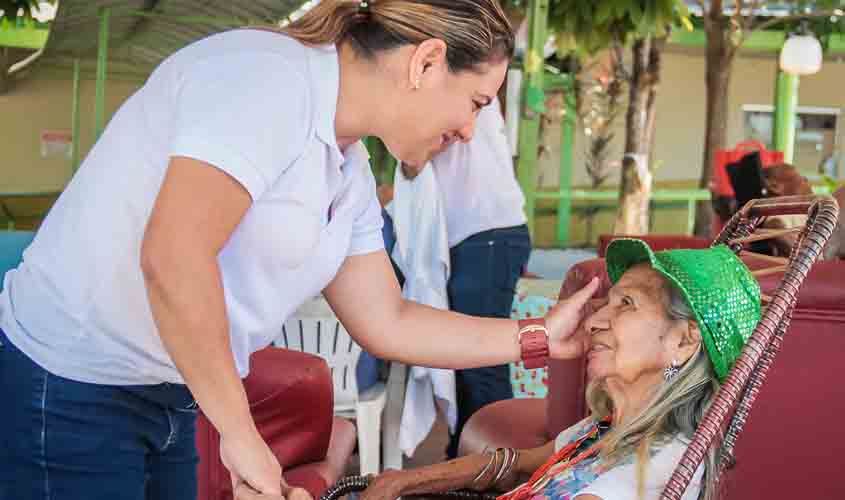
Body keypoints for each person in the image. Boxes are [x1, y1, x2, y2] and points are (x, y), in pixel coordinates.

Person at [0, 2, 602, 500]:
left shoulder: (350, 166)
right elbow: (174, 257)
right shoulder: (267, 81)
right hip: (70, 382)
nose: (472, 132)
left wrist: (541, 335)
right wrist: (240, 433)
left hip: (168, 390)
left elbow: (387, 321)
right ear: (427, 61)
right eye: (476, 102)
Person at [359, 239, 761, 500]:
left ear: (684, 342)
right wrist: (406, 480)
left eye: (626, 305)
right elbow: (516, 463)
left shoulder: (657, 466)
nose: (594, 321)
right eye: (607, 303)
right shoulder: (609, 428)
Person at [380, 97, 529, 458]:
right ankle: (465, 459)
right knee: (462, 358)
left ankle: (501, 472)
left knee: (482, 363)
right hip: (474, 236)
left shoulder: (466, 80)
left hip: (488, 233)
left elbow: (416, 156)